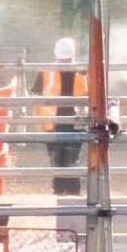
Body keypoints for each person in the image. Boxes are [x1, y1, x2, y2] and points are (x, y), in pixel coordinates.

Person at [35, 37, 88, 205]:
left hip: (63, 122)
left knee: (63, 159)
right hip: (67, 122)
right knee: (66, 159)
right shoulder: (83, 71)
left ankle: (66, 193)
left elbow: (36, 96)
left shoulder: (48, 72)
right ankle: (68, 193)